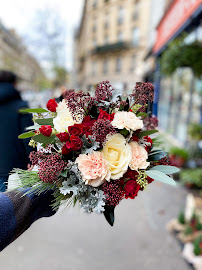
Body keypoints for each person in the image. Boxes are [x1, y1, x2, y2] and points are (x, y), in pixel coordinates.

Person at [0, 70, 34, 192]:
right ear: (14, 84)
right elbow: (28, 135)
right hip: (19, 161)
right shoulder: (21, 106)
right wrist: (32, 158)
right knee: (27, 199)